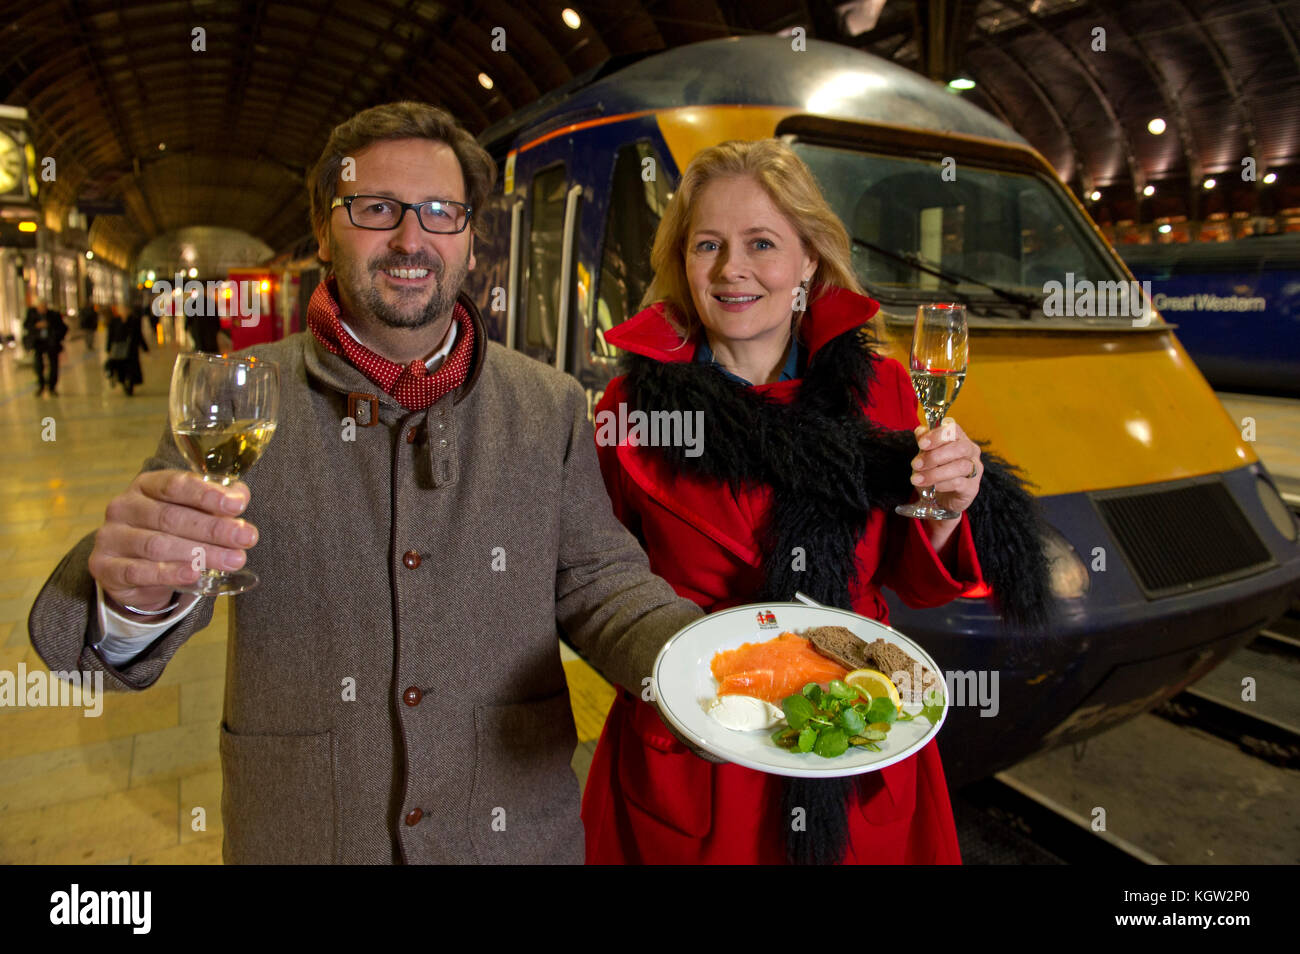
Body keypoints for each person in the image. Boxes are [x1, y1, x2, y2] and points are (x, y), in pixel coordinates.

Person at [28, 101, 702, 865]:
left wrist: (700, 665)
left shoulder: (545, 405)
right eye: (376, 208)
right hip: (307, 836)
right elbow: (160, 565)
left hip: (512, 838)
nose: (411, 238)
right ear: (323, 230)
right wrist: (136, 599)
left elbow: (597, 579)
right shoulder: (242, 397)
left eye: (440, 212)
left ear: (470, 239)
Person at [580, 139, 1054, 865]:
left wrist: (950, 506)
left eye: (761, 243)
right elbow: (593, 577)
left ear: (807, 262)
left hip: (849, 734)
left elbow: (912, 576)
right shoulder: (629, 411)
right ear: (682, 264)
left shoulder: (885, 391)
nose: (731, 269)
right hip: (698, 746)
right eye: (707, 245)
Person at [23, 301, 67, 396]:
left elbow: (62, 328)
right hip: (38, 343)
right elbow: (26, 326)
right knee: (38, 366)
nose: (42, 309)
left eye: (44, 306)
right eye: (40, 307)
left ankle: (52, 386)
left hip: (51, 343)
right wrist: (36, 326)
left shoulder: (53, 315)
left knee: (54, 365)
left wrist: (54, 333)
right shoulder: (32, 315)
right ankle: (41, 385)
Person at [105, 306, 149, 395]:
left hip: (131, 351)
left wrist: (145, 348)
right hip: (119, 351)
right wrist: (109, 348)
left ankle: (130, 384)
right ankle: (125, 383)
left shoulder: (134, 321)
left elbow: (139, 335)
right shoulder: (114, 321)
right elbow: (110, 336)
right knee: (121, 368)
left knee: (131, 368)